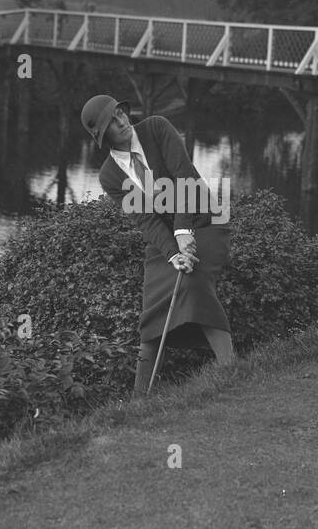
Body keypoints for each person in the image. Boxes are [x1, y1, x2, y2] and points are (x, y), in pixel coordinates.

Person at [79, 94, 235, 397]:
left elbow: (185, 177)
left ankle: (230, 370)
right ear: (102, 136)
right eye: (111, 121)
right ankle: (140, 398)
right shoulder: (110, 175)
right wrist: (173, 252)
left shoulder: (157, 128)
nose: (122, 121)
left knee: (193, 279)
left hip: (206, 220)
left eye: (121, 113)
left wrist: (183, 230)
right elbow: (146, 221)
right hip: (166, 237)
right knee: (153, 308)